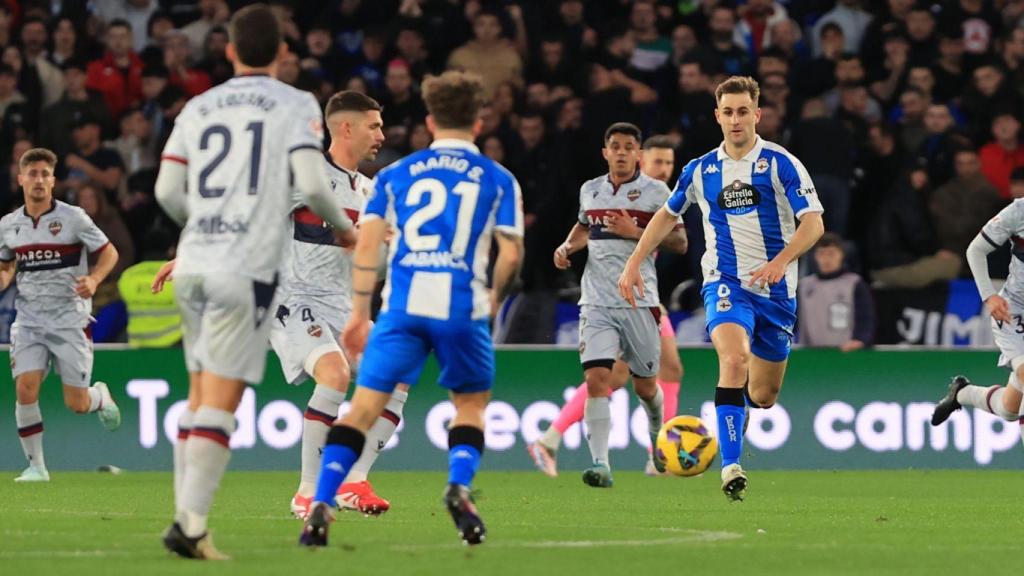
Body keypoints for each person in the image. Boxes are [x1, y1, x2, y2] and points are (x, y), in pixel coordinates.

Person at [152, 4, 356, 560]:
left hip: (195, 260)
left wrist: (205, 227)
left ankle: (187, 520)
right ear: (283, 51)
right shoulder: (295, 103)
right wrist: (345, 230)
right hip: (245, 266)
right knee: (220, 403)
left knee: (198, 399)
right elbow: (314, 186)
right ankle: (189, 528)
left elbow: (168, 192)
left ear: (229, 50)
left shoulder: (198, 105)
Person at [299, 70, 524, 548]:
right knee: (469, 406)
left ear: (429, 121)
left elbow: (366, 248)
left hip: (401, 308)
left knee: (361, 408)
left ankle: (320, 499)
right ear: (479, 123)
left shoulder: (395, 175)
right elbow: (511, 253)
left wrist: (359, 313)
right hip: (462, 307)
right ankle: (459, 485)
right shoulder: (499, 178)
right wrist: (495, 299)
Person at [618, 76, 825, 501]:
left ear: (757, 114)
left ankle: (737, 410)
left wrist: (780, 261)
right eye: (727, 112)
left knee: (763, 396)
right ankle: (731, 466)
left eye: (743, 111)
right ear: (717, 116)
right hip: (725, 282)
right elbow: (665, 214)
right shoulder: (701, 169)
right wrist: (634, 262)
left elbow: (813, 223)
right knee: (733, 358)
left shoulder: (780, 164)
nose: (735, 120)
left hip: (777, 293)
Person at [273, 91, 409, 519]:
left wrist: (388, 243)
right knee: (334, 374)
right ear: (345, 127)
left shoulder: (370, 191)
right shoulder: (304, 176)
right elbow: (249, 221)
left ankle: (354, 481)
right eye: (374, 125)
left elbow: (378, 262)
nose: (381, 135)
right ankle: (308, 492)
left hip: (345, 305)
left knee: (396, 376)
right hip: (295, 298)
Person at [527, 134, 686, 478]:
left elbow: (677, 242)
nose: (664, 170)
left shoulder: (660, 197)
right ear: (642, 160)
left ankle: (552, 439)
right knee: (617, 375)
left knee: (649, 374)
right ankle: (653, 455)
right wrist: (569, 246)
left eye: (669, 164)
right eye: (658, 162)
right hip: (609, 298)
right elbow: (588, 226)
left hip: (643, 296)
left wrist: (635, 231)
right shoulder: (608, 191)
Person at [0, 147, 122, 483]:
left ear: (53, 180)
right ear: (21, 178)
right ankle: (36, 466)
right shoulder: (9, 226)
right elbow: (7, 265)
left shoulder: (74, 218)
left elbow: (110, 252)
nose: (38, 180)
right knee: (26, 388)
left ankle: (100, 397)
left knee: (76, 404)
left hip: (70, 319)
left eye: (44, 174)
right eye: (32, 173)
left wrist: (95, 279)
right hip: (29, 321)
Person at [931, 196, 1024, 429]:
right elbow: (976, 250)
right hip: (1014, 310)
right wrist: (989, 296)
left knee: (1010, 410)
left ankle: (963, 393)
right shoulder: (1019, 210)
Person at [798, 232, 874, 351]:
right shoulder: (805, 286)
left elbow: (865, 316)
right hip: (811, 352)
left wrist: (860, 339)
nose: (826, 259)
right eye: (821, 253)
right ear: (815, 256)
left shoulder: (854, 283)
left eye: (831, 253)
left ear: (841, 254)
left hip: (845, 352)